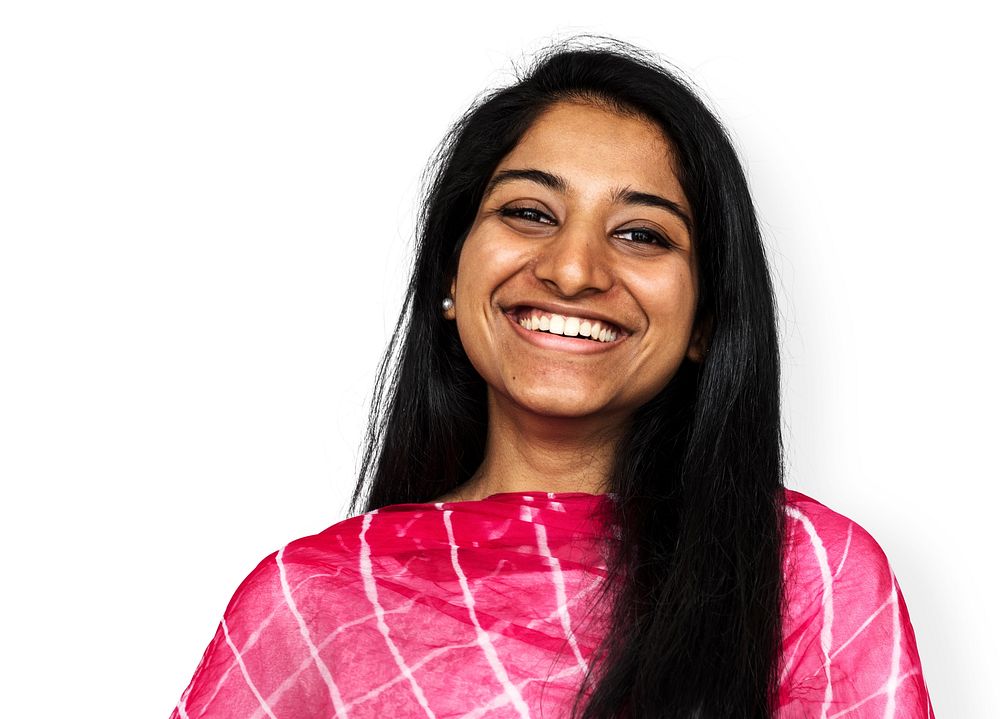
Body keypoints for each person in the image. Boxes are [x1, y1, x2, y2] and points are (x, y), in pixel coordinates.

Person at [170, 38, 935, 718]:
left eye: (641, 233)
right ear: (451, 272)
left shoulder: (808, 577)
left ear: (705, 318)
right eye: (531, 213)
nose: (573, 270)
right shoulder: (313, 604)